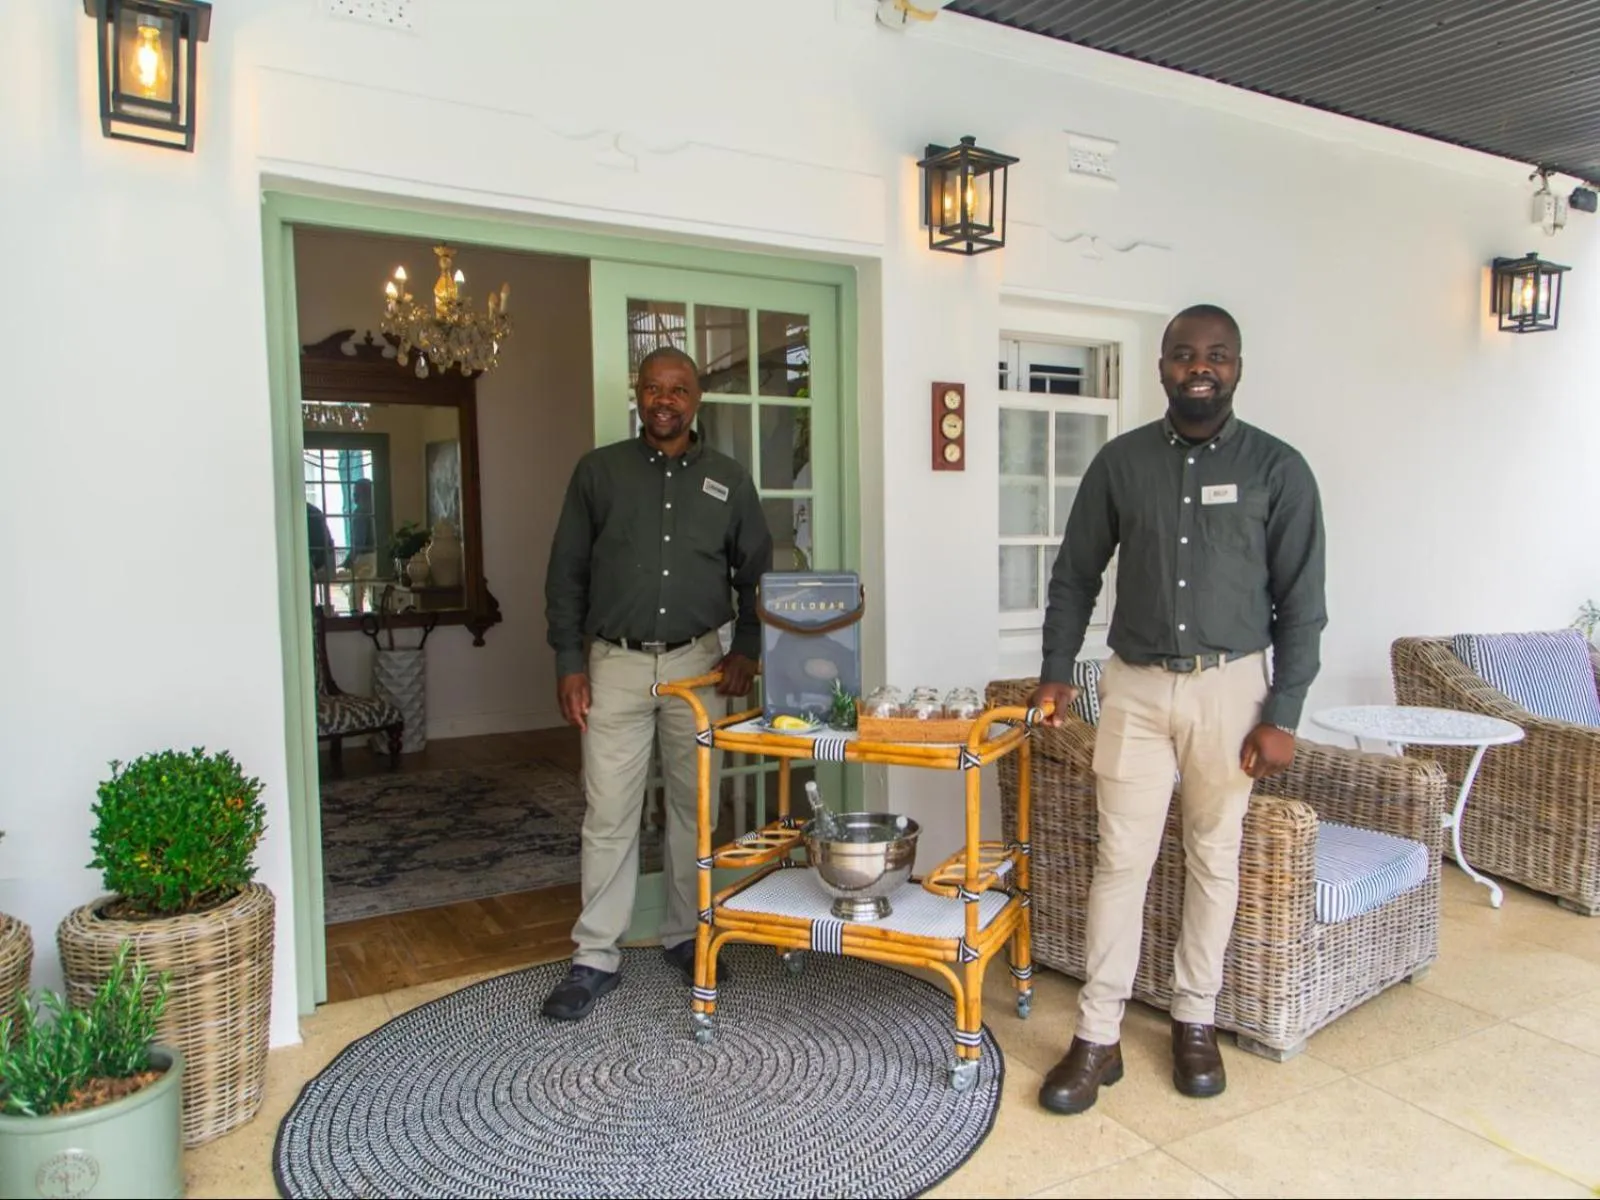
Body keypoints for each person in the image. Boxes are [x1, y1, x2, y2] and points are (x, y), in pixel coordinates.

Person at [1029, 304, 1327, 1114]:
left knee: (1212, 856)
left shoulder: (1280, 470)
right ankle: (1098, 1036)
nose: (1202, 367)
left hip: (1233, 692)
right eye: (1185, 354)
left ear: (1238, 366)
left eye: (1218, 354)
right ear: (1162, 367)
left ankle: (1195, 1017)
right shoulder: (1121, 465)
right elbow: (1074, 576)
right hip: (1134, 688)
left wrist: (1285, 711)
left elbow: (1303, 604)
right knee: (1119, 859)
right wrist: (1057, 672)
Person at [541, 345, 773, 1022]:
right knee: (609, 811)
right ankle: (595, 955)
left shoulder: (729, 480)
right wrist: (568, 661)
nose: (664, 399)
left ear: (696, 400)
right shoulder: (598, 473)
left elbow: (755, 574)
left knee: (694, 810)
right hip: (613, 665)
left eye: (678, 389)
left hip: (698, 665)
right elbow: (566, 576)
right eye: (653, 388)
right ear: (637, 396)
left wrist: (748, 652)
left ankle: (686, 934)